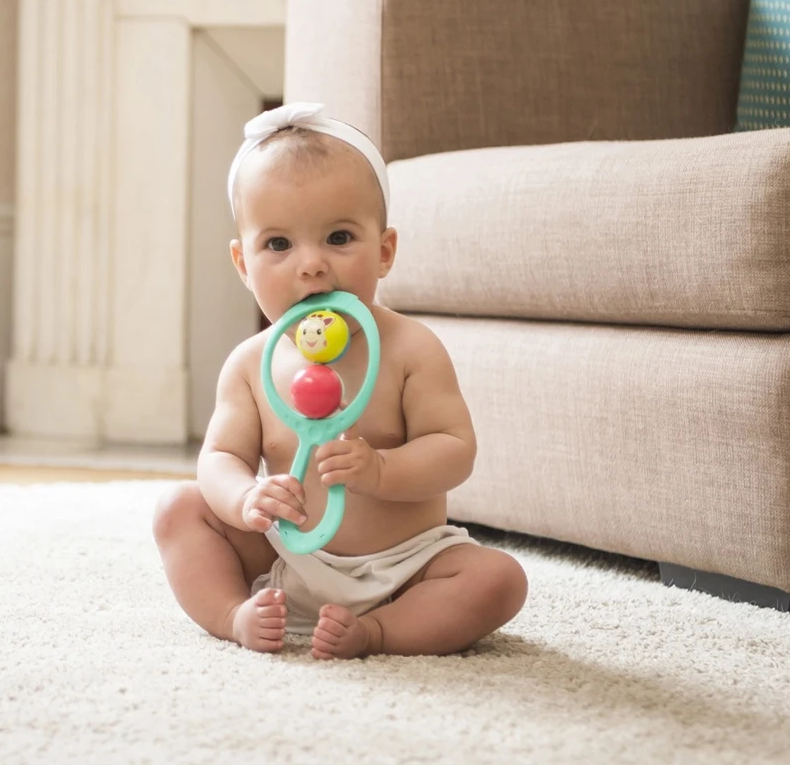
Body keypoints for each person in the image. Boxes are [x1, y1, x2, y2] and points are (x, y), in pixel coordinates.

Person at [153, 103, 528, 659]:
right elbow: (219, 458)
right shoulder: (250, 364)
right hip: (289, 557)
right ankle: (235, 614)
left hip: (406, 567)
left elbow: (455, 450)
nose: (310, 265)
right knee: (178, 509)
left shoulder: (410, 349)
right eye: (278, 244)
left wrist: (382, 468)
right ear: (243, 264)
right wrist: (245, 498)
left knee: (498, 580)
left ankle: (381, 631)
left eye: (338, 237)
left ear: (384, 252)